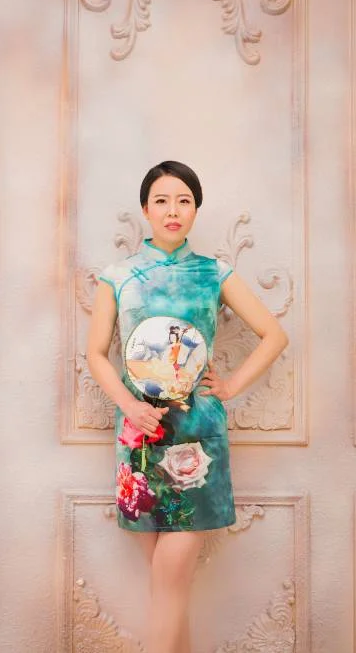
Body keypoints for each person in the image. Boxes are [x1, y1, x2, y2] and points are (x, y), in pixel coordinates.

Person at [86, 160, 288, 653]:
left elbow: (274, 334)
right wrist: (129, 406)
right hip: (138, 438)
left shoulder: (214, 273)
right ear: (145, 209)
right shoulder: (118, 276)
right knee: (167, 588)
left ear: (196, 209)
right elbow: (95, 354)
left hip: (197, 437)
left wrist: (231, 385)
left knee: (170, 586)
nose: (172, 210)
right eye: (161, 201)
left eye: (184, 201)